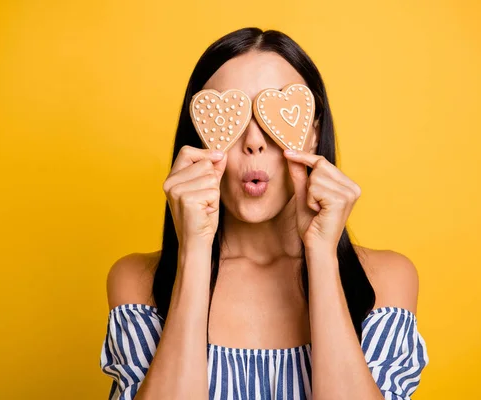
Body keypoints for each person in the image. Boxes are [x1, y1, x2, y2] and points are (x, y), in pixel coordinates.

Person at [99, 27, 429, 400]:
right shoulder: (136, 282)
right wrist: (193, 253)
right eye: (230, 116)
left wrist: (321, 254)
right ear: (199, 137)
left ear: (313, 135)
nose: (253, 141)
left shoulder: (386, 281)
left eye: (273, 118)